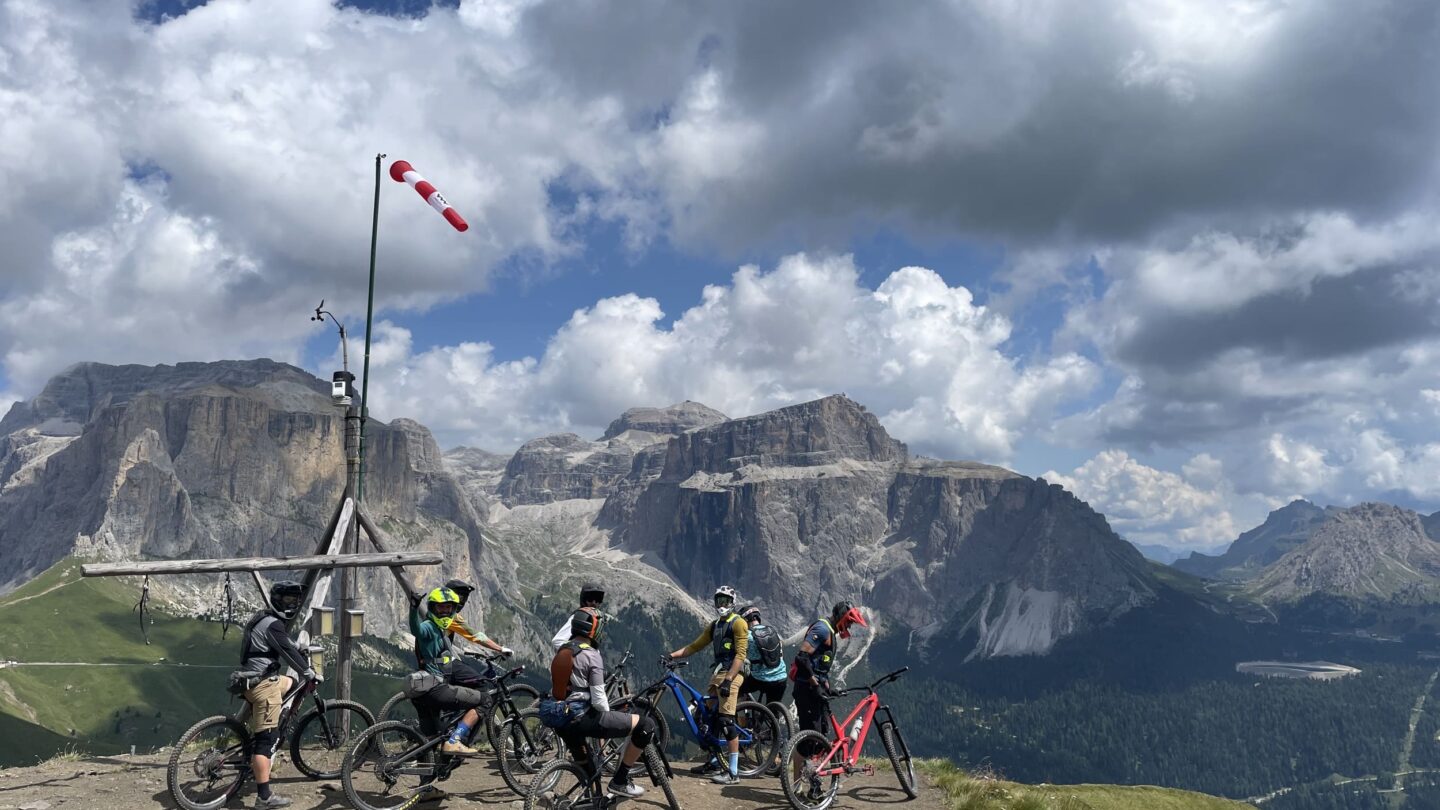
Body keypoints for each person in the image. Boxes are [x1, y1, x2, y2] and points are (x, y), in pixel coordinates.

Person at [550, 606, 657, 798]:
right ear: (592, 630)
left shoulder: (562, 650)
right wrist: (614, 715)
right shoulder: (591, 655)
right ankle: (620, 781)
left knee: (589, 770)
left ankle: (591, 798)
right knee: (646, 725)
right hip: (582, 718)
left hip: (561, 719)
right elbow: (599, 702)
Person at [235, 580, 319, 809]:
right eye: (287, 600)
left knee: (291, 682)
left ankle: (275, 720)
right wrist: (309, 672)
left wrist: (299, 672)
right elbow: (288, 651)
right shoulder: (274, 625)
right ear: (277, 600)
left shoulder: (262, 618)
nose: (291, 604)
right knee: (265, 742)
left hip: (250, 680)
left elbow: (279, 643)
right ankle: (264, 798)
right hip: (264, 685)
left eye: (295, 600)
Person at [666, 585, 749, 785]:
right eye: (719, 601)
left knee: (727, 722)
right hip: (718, 674)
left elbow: (740, 655)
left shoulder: (738, 623)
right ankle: (714, 761)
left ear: (732, 602)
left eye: (725, 601)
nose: (722, 605)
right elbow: (694, 646)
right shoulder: (715, 626)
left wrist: (729, 679)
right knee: (706, 718)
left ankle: (733, 772)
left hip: (732, 674)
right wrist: (671, 655)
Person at [408, 587, 493, 756]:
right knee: (486, 700)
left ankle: (426, 777)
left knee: (431, 744)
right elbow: (416, 630)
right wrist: (413, 609)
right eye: (441, 607)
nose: (445, 611)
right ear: (432, 608)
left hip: (420, 690)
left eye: (449, 607)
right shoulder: (429, 627)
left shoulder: (440, 628)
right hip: (436, 688)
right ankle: (455, 741)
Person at [789, 601, 867, 783]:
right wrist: (815, 684)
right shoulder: (822, 629)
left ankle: (811, 781)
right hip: (806, 690)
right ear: (841, 617)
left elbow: (820, 666)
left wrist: (826, 686)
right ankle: (796, 784)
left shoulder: (831, 632)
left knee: (822, 734)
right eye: (848, 622)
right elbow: (802, 658)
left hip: (816, 690)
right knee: (810, 737)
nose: (849, 627)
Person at [551, 582, 606, 650]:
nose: (594, 603)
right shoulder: (578, 618)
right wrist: (581, 654)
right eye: (590, 598)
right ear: (583, 600)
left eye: (598, 599)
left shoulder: (596, 619)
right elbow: (558, 641)